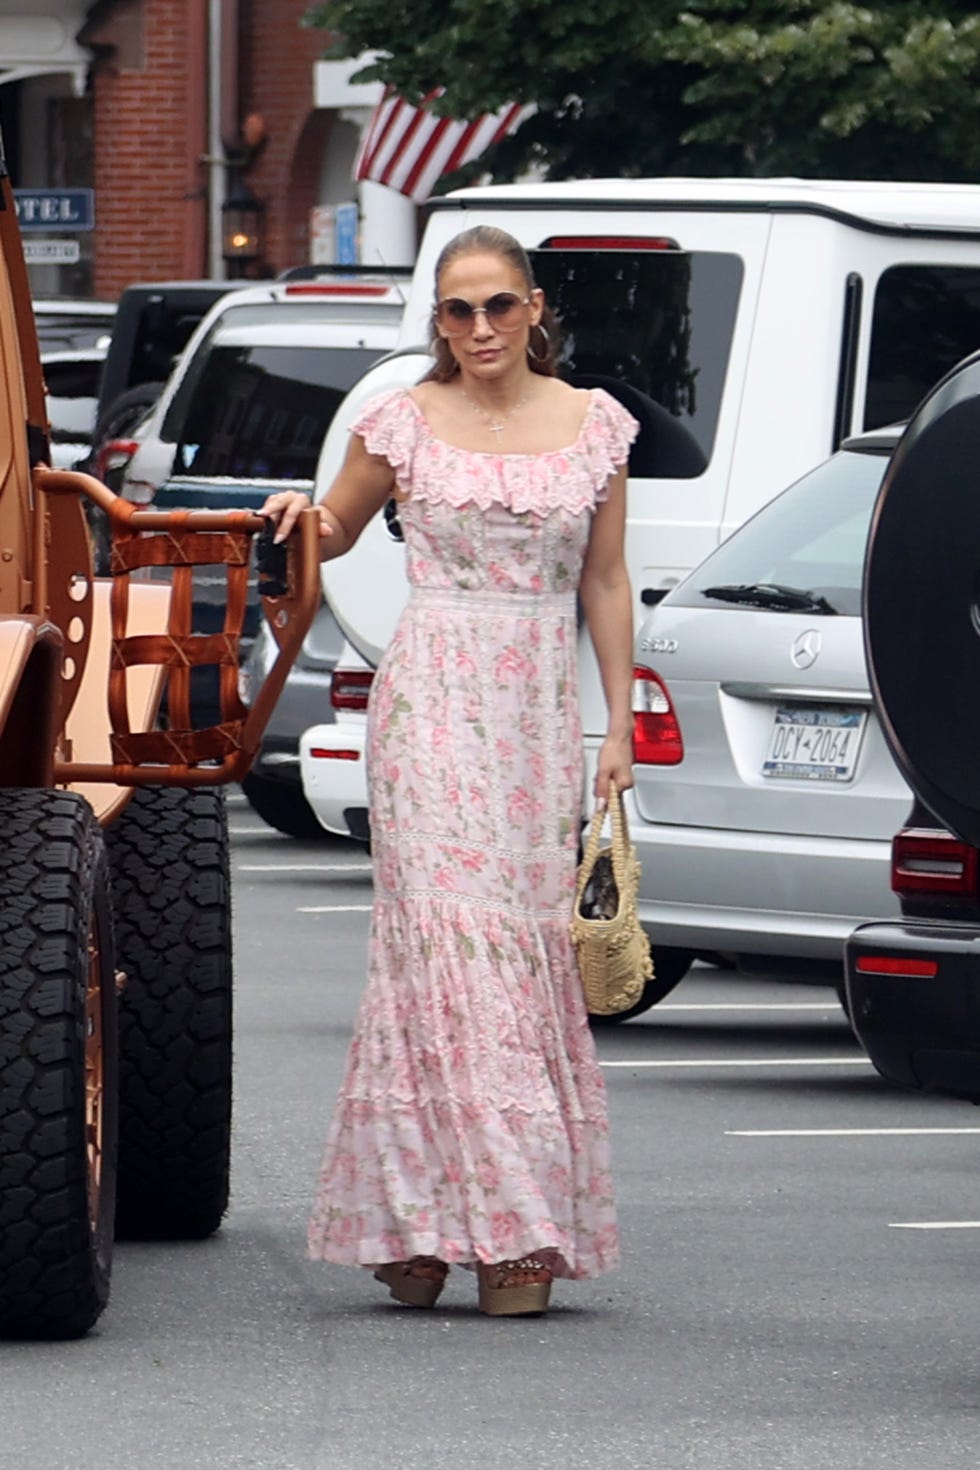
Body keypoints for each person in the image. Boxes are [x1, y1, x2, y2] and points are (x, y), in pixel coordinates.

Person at [261, 225, 638, 1317]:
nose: (478, 329)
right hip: (428, 696)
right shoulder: (402, 420)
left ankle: (513, 1231)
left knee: (518, 951)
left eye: (497, 307)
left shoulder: (593, 426)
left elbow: (607, 583)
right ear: (436, 321)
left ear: (533, 309)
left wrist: (616, 728)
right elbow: (335, 527)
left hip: (530, 703)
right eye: (457, 310)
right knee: (436, 948)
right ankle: (418, 1223)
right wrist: (305, 517)